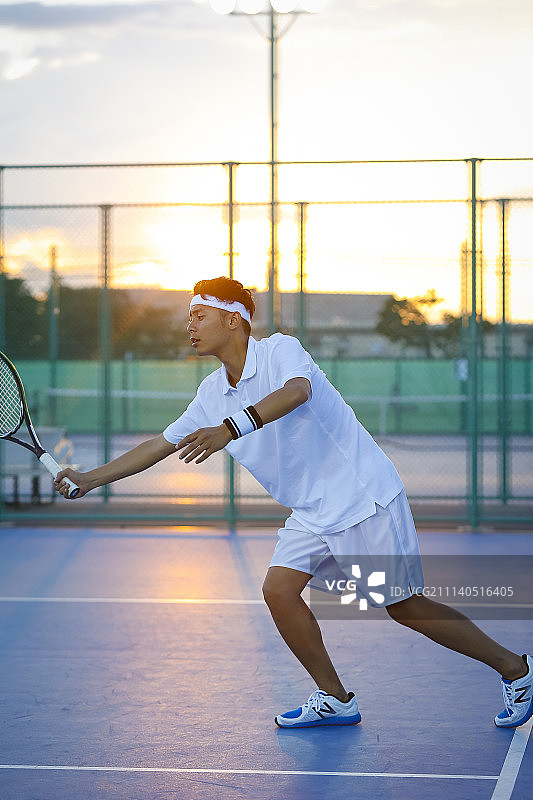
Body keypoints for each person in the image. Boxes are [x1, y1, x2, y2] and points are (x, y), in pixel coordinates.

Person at [55, 276, 532, 730]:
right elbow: (161, 444)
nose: (190, 326)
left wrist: (231, 429)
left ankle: (516, 670)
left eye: (200, 316)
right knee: (279, 592)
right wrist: (90, 478)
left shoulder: (281, 350)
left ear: (233, 321)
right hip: (312, 511)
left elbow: (296, 393)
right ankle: (336, 699)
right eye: (189, 317)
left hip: (361, 498)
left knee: (403, 606)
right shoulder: (211, 393)